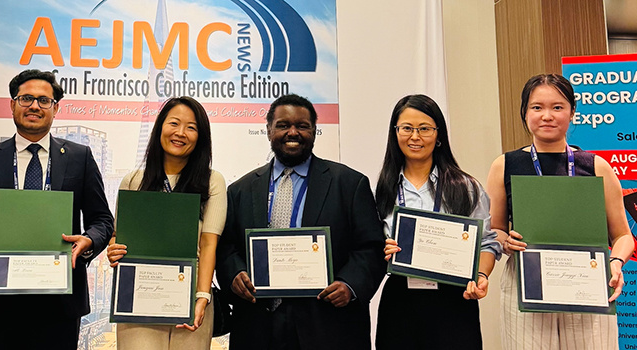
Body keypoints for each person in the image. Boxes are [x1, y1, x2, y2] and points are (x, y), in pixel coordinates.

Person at [0, 69, 114, 349]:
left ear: (55, 109)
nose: (34, 106)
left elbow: (102, 220)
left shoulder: (79, 158)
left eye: (43, 100)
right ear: (12, 105)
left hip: (58, 305)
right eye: (26, 99)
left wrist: (88, 242)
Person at [215, 94, 386, 349]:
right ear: (268, 130)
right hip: (258, 325)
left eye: (302, 126)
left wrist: (350, 284)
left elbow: (371, 247)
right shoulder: (240, 190)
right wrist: (234, 274)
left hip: (327, 325)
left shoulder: (350, 184)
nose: (292, 132)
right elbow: (226, 247)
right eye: (283, 125)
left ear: (315, 131)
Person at [486, 74, 634, 349]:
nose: (547, 116)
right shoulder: (505, 165)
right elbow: (495, 229)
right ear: (525, 112)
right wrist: (506, 241)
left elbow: (623, 236)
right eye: (537, 107)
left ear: (572, 112)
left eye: (557, 107)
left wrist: (615, 262)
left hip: (586, 281)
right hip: (526, 281)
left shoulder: (596, 166)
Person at [374, 94, 501, 349]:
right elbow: (371, 247)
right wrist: (382, 249)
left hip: (453, 301)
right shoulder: (383, 190)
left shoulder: (466, 187)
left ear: (439, 135)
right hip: (400, 302)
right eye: (406, 128)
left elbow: (487, 243)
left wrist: (480, 275)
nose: (415, 137)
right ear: (395, 133)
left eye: (425, 129)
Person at [106, 96, 226, 349]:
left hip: (192, 297)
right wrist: (114, 248)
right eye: (174, 123)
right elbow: (119, 236)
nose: (180, 133)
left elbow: (209, 244)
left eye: (191, 127)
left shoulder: (212, 181)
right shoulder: (133, 181)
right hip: (139, 298)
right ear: (160, 127)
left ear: (201, 137)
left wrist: (202, 297)